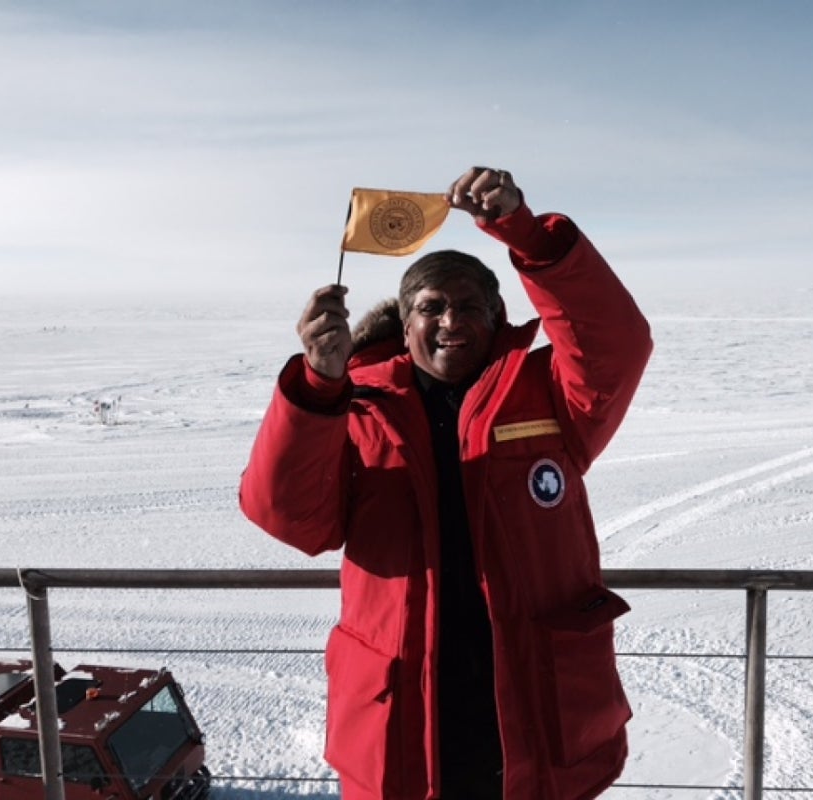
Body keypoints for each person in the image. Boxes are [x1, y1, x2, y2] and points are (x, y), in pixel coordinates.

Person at [239, 165, 653, 800]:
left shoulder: (548, 394)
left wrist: (525, 233)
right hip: (405, 697)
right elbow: (291, 517)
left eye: (469, 306)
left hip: (531, 695)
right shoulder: (356, 407)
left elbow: (615, 342)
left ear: (496, 317)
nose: (451, 321)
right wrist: (320, 386)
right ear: (404, 327)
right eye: (432, 308)